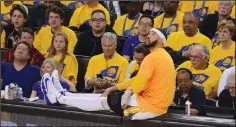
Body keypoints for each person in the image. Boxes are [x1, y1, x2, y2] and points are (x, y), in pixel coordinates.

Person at [41, 28, 175, 120]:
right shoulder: (161, 56)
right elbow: (136, 81)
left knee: (103, 101)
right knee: (104, 97)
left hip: (149, 107)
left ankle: (59, 98)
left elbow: (139, 82)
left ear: (161, 41)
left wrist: (128, 92)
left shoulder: (153, 57)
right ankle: (64, 94)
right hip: (151, 103)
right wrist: (114, 88)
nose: (148, 35)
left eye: (152, 34)